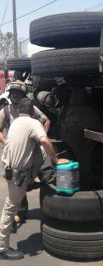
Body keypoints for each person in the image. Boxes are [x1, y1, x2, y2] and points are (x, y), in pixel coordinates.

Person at [0, 98, 65, 260]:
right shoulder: (33, 123)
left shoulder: (15, 122)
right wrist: (57, 161)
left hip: (10, 170)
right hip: (17, 175)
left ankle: (35, 181)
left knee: (40, 150)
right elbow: (44, 140)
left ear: (20, 110)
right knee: (11, 207)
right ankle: (2, 247)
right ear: (31, 111)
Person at [0, 80, 51, 229]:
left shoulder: (31, 108)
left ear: (23, 95)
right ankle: (20, 214)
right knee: (18, 182)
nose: (15, 95)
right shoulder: (5, 111)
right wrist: (5, 141)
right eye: (13, 92)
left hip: (34, 151)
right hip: (16, 153)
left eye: (18, 93)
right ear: (10, 95)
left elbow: (46, 121)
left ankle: (50, 207)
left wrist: (42, 137)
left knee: (47, 175)